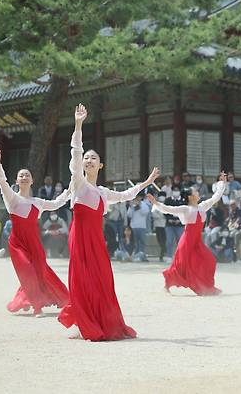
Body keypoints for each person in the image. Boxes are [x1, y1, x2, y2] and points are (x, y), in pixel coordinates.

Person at [58, 103, 159, 341]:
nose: (89, 160)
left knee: (102, 280)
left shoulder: (103, 193)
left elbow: (126, 195)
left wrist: (145, 183)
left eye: (94, 158)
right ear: (82, 164)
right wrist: (79, 124)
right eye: (86, 158)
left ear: (101, 165)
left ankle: (98, 318)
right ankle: (82, 321)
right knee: (81, 278)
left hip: (97, 242)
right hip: (80, 239)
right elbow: (75, 151)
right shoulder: (79, 184)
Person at [0, 145, 70, 316]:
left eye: (27, 175)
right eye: (21, 175)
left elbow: (56, 204)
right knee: (27, 270)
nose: (24, 177)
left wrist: (69, 191)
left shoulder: (38, 202)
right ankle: (37, 306)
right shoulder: (12, 198)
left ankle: (29, 298)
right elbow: (1, 182)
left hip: (35, 244)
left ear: (32, 180)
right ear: (17, 181)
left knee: (40, 272)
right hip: (18, 243)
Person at [147, 173, 226, 296]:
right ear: (190, 196)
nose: (198, 192)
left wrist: (222, 183)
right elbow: (168, 209)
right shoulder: (185, 209)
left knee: (209, 261)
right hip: (187, 242)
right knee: (181, 266)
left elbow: (216, 197)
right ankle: (167, 284)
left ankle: (206, 287)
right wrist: (156, 203)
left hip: (197, 242)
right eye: (195, 191)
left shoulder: (203, 206)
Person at [127, 194, 151, 262]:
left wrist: (139, 206)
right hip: (133, 226)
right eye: (136, 197)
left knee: (142, 241)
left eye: (139, 197)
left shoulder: (144, 205)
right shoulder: (132, 205)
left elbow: (145, 213)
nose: (137, 199)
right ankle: (135, 255)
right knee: (135, 242)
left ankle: (143, 255)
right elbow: (129, 215)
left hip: (142, 226)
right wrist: (131, 207)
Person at [164, 186, 185, 260]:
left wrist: (180, 220)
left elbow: (185, 212)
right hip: (169, 224)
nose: (176, 191)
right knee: (169, 241)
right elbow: (164, 210)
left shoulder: (183, 200)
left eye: (177, 190)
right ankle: (169, 256)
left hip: (180, 224)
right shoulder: (168, 200)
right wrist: (169, 219)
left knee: (180, 242)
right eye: (174, 190)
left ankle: (180, 257)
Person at [151, 192, 168, 261]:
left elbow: (168, 213)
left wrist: (162, 215)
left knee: (164, 240)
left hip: (165, 225)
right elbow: (154, 214)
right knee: (159, 240)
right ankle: (163, 250)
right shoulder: (155, 205)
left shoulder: (166, 204)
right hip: (158, 225)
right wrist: (162, 215)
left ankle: (162, 254)